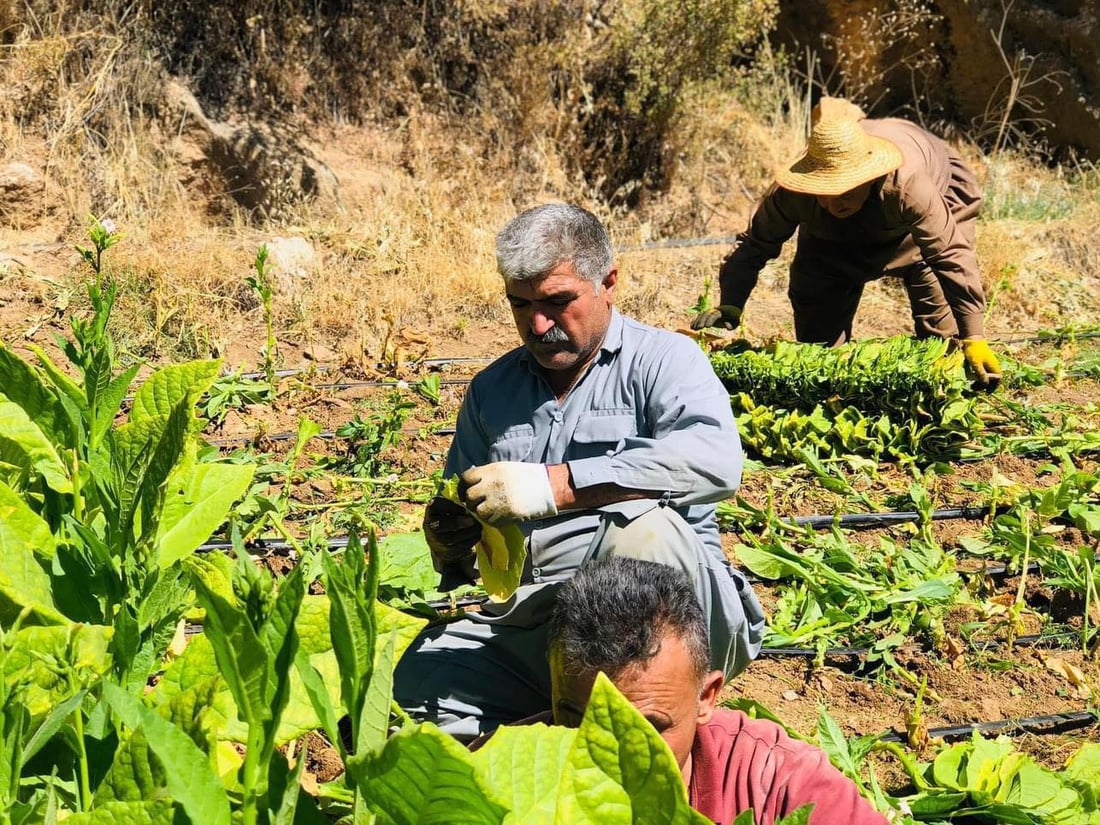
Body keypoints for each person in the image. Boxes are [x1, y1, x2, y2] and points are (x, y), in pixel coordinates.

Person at [393, 202, 765, 739]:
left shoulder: (666, 361)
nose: (538, 324)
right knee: (411, 686)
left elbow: (715, 463)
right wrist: (451, 538)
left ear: (608, 282)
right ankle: (556, 729)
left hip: (668, 627)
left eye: (557, 302)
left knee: (645, 532)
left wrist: (555, 486)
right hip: (546, 621)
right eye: (520, 305)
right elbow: (470, 550)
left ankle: (646, 720)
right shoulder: (491, 391)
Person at [547, 556, 890, 825]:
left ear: (706, 697)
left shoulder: (775, 784)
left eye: (645, 731)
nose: (610, 758)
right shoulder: (507, 777)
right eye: (580, 723)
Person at [692, 96, 1002, 390]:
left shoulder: (908, 187)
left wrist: (974, 335)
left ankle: (938, 400)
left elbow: (949, 255)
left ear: (869, 176)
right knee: (819, 352)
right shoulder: (791, 194)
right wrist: (732, 302)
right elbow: (754, 246)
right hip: (830, 241)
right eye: (823, 190)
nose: (833, 202)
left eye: (844, 191)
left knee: (940, 340)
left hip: (916, 231)